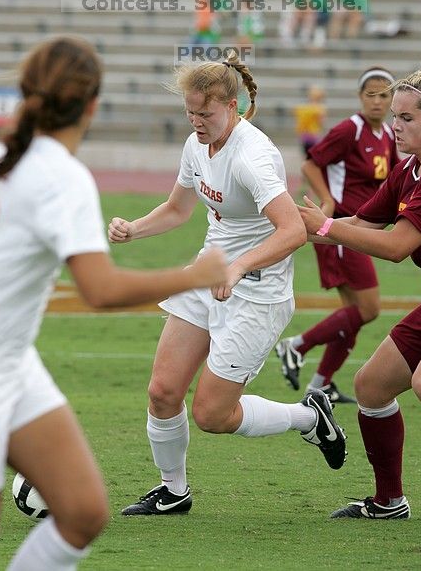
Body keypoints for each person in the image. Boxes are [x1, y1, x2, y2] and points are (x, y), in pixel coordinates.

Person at [0, 36, 229, 570]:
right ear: (92, 106)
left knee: (84, 511)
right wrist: (196, 275)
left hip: (10, 362)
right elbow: (100, 289)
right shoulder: (62, 177)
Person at [109, 50, 347, 516]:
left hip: (257, 292)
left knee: (213, 416)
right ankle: (173, 490)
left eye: (206, 113)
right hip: (208, 272)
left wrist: (237, 269)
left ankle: (309, 418)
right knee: (162, 391)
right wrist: (134, 228)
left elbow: (294, 230)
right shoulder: (196, 144)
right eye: (190, 112)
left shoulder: (253, 157)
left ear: (232, 105)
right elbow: (178, 209)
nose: (196, 122)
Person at [298, 58, 421, 519]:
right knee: (372, 387)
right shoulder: (411, 170)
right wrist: (293, 227)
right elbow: (362, 221)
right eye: (395, 116)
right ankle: (389, 502)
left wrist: (323, 225)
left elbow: (398, 245)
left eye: (406, 118)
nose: (394, 126)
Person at [276, 67, 398, 403]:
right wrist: (327, 199)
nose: (377, 100)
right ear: (360, 97)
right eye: (370, 94)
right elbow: (310, 165)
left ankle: (319, 386)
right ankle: (295, 345)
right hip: (342, 229)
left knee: (353, 316)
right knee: (369, 308)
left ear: (391, 100)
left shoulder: (388, 134)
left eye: (383, 94)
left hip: (361, 231)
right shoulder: (349, 129)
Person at [293, 85, 327, 157]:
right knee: (314, 158)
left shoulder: (302, 108)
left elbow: (299, 122)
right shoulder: (320, 109)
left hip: (304, 136)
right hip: (314, 135)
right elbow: (321, 122)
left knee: (306, 157)